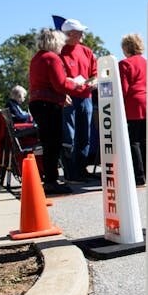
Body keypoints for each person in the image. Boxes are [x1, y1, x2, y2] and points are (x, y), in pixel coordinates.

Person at [28, 28, 90, 194]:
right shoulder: (51, 58)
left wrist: (62, 93)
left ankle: (50, 179)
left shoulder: (37, 58)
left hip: (39, 102)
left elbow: (49, 82)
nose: (62, 45)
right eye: (61, 42)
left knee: (49, 143)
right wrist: (80, 86)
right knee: (53, 144)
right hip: (48, 104)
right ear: (54, 42)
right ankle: (51, 181)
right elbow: (60, 84)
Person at [60, 18, 97, 182]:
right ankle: (70, 172)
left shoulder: (87, 51)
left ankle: (81, 169)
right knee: (70, 135)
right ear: (70, 34)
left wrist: (94, 81)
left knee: (85, 136)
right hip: (68, 98)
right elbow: (57, 76)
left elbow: (94, 73)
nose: (83, 34)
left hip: (86, 97)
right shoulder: (59, 51)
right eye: (79, 32)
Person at [119, 33, 147, 186]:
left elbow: (122, 89)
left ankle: (138, 175)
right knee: (144, 140)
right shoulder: (147, 63)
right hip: (147, 103)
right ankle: (147, 173)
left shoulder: (125, 64)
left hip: (133, 105)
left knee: (133, 141)